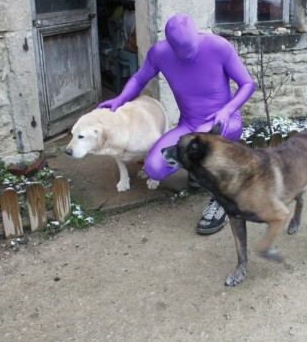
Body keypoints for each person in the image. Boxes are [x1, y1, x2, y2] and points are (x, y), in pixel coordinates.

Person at [98, 13, 256, 234]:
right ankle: (196, 169)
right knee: (154, 168)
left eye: (191, 47)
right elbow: (139, 79)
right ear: (171, 46)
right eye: (182, 51)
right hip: (190, 125)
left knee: (201, 143)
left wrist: (227, 110)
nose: (188, 54)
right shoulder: (160, 53)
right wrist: (120, 98)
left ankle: (223, 201)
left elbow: (248, 83)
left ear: (197, 36)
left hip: (224, 122)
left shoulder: (218, 46)